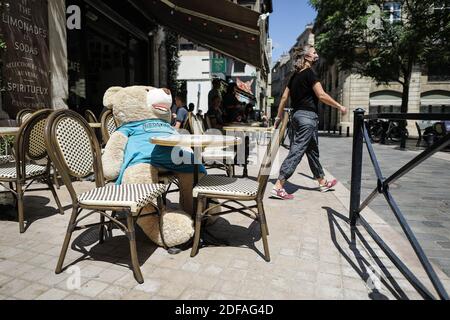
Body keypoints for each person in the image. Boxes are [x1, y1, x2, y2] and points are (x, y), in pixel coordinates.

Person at [272, 45, 347, 200]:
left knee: (312, 151)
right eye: (314, 53)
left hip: (297, 117)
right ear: (306, 57)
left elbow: (285, 98)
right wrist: (339, 106)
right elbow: (321, 95)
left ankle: (322, 182)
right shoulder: (310, 74)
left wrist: (279, 117)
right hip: (308, 118)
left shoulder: (293, 76)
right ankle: (279, 186)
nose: (317, 55)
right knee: (297, 150)